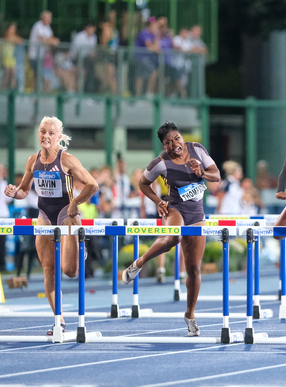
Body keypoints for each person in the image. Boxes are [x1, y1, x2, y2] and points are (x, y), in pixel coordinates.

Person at [121, 121, 220, 336]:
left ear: (182, 137)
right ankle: (139, 263)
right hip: (175, 208)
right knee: (172, 238)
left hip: (197, 214)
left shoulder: (198, 150)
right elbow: (143, 183)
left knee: (193, 269)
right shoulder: (161, 162)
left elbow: (217, 176)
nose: (174, 143)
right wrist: (158, 201)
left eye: (176, 138)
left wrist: (201, 172)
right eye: (168, 142)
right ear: (164, 146)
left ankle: (190, 315)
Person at [3, 116, 99, 334]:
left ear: (59, 137)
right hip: (44, 214)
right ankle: (60, 319)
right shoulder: (32, 160)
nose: (45, 136)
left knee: (70, 271)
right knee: (49, 270)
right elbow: (25, 191)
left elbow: (92, 185)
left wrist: (76, 202)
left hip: (67, 213)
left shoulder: (68, 160)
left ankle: (78, 250)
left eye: (50, 133)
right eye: (42, 131)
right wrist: (13, 192)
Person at [28, 11, 60, 92]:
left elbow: (51, 37)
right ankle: (38, 94)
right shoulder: (38, 26)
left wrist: (53, 40)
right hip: (34, 55)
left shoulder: (47, 27)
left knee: (37, 75)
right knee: (41, 77)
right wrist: (52, 41)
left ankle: (36, 93)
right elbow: (43, 39)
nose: (49, 20)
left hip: (41, 55)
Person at [134, 21, 161, 97]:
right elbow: (149, 47)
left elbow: (157, 48)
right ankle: (146, 94)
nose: (156, 29)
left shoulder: (153, 35)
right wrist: (155, 48)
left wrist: (157, 36)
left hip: (146, 59)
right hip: (140, 58)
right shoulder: (144, 33)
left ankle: (141, 95)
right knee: (152, 73)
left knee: (141, 76)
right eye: (155, 27)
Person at [71, 22, 97, 93]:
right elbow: (76, 52)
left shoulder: (94, 37)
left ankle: (89, 91)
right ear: (87, 28)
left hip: (87, 60)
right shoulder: (79, 37)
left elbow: (93, 51)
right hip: (76, 59)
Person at [1, 23, 23, 90]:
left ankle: (12, 89)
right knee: (7, 73)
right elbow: (7, 38)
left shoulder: (14, 37)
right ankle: (3, 88)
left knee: (13, 74)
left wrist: (14, 37)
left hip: (11, 58)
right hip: (5, 57)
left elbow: (20, 41)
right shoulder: (6, 37)